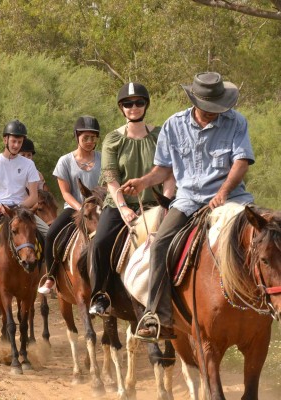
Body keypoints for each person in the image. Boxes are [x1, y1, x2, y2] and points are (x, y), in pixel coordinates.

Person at [122, 72, 255, 341]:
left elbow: (241, 161)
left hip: (231, 199)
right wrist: (142, 182)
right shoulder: (173, 125)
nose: (212, 113)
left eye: (217, 108)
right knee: (159, 245)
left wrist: (223, 192)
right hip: (188, 200)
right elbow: (163, 169)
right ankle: (159, 316)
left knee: (265, 234)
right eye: (208, 108)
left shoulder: (236, 122)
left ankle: (266, 302)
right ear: (195, 101)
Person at [88, 83, 176, 317]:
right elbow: (111, 178)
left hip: (157, 204)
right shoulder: (113, 139)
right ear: (121, 108)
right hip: (120, 205)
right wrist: (124, 208)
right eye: (128, 103)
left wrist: (166, 203)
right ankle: (101, 295)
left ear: (146, 105)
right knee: (100, 243)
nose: (134, 107)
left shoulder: (160, 135)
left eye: (139, 102)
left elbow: (169, 172)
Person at [0, 119, 50, 305]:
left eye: (20, 142)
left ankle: (50, 277)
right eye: (13, 141)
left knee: (50, 234)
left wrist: (19, 208)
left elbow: (34, 196)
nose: (17, 145)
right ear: (5, 139)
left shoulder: (29, 165)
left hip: (22, 210)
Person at [37, 116, 102, 294]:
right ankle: (50, 277)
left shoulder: (103, 159)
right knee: (50, 235)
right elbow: (65, 193)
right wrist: (81, 208)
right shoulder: (65, 161)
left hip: (99, 209)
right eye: (85, 138)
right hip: (74, 209)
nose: (90, 141)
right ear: (77, 137)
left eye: (93, 137)